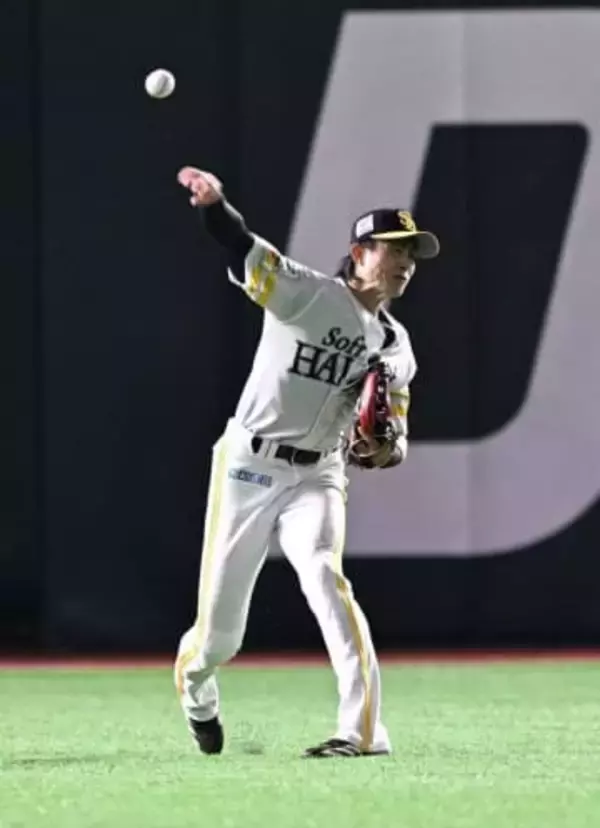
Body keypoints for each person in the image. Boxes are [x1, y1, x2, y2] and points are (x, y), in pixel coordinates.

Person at [173, 167, 440, 758]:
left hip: (319, 473)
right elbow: (240, 244)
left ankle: (363, 732)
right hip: (250, 464)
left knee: (325, 575)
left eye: (411, 254)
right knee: (219, 637)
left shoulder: (397, 348)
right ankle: (195, 686)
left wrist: (382, 449)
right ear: (359, 253)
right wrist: (213, 203)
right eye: (393, 250)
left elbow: (394, 440)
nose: (405, 263)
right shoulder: (307, 294)